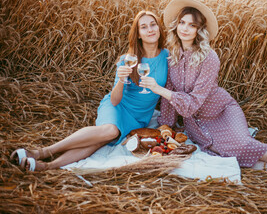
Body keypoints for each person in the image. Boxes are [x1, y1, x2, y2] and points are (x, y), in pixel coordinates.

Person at [139, 0, 267, 185]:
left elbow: (191, 103)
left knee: (242, 144)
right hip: (196, 124)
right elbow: (171, 96)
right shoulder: (171, 56)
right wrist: (168, 125)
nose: (185, 28)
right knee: (228, 153)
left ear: (199, 30)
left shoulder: (209, 58)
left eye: (192, 25)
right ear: (176, 24)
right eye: (182, 22)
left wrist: (158, 89)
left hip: (221, 112)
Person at [10, 10, 169, 171]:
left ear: (159, 28)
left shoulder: (168, 58)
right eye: (144, 27)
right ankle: (42, 152)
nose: (150, 29)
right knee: (111, 130)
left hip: (139, 118)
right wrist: (121, 80)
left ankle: (48, 166)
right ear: (138, 34)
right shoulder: (128, 59)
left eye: (153, 24)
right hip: (117, 107)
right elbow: (115, 100)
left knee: (101, 140)